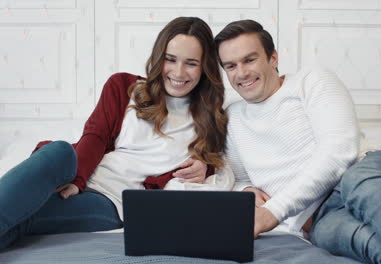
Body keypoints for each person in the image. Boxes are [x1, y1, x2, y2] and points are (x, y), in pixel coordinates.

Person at [214, 19, 381, 263]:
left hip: (372, 175)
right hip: (320, 219)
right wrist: (245, 192)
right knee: (366, 244)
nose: (242, 73)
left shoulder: (310, 81)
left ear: (273, 58)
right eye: (231, 66)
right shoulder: (233, 118)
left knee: (360, 183)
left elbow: (339, 152)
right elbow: (240, 178)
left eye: (250, 59)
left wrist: (273, 211)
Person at [0, 16, 232, 250]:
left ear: (205, 67)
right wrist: (78, 181)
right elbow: (95, 136)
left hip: (111, 202)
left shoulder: (210, 120)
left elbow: (222, 169)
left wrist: (206, 167)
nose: (178, 72)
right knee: (58, 151)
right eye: (170, 60)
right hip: (76, 174)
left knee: (21, 218)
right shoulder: (124, 87)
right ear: (159, 56)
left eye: (191, 63)